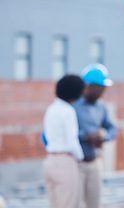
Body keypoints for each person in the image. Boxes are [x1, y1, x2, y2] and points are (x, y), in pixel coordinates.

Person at [73, 64, 118, 208]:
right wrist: (86, 136)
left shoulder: (101, 106)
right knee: (75, 203)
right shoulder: (73, 104)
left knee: (95, 204)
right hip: (77, 164)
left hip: (94, 163)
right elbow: (68, 132)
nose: (103, 92)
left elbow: (112, 128)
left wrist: (104, 138)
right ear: (90, 86)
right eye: (101, 88)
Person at [42, 74, 85, 208]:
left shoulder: (50, 109)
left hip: (49, 161)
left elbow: (46, 136)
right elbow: (72, 141)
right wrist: (80, 157)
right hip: (65, 162)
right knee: (67, 204)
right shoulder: (68, 111)